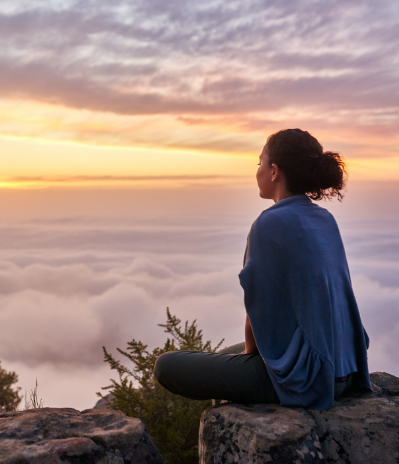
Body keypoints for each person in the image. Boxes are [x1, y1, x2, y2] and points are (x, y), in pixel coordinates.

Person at [155, 129, 371, 409]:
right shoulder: (323, 218)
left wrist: (250, 359)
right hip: (346, 367)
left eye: (259, 163)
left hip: (312, 379)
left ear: (274, 171)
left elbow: (258, 313)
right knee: (222, 355)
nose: (257, 170)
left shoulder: (270, 224)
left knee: (167, 366)